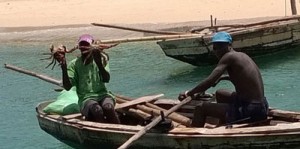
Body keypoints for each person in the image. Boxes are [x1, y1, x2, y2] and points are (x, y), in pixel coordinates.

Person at [178, 31, 269, 127]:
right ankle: (225, 123)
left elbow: (209, 81)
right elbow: (243, 78)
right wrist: (223, 77)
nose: (217, 51)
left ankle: (194, 136)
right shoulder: (241, 55)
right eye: (215, 48)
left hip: (250, 110)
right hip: (262, 106)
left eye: (220, 47)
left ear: (229, 45)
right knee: (220, 93)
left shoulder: (228, 57)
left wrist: (189, 93)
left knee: (201, 108)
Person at [54, 34, 120, 124]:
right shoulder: (74, 64)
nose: (84, 48)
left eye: (87, 45)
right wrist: (64, 68)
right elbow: (67, 87)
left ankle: (117, 128)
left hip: (103, 95)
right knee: (97, 110)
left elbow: (106, 79)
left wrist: (99, 63)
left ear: (92, 46)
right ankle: (104, 132)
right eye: (82, 45)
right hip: (86, 99)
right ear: (79, 47)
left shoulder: (102, 59)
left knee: (108, 107)